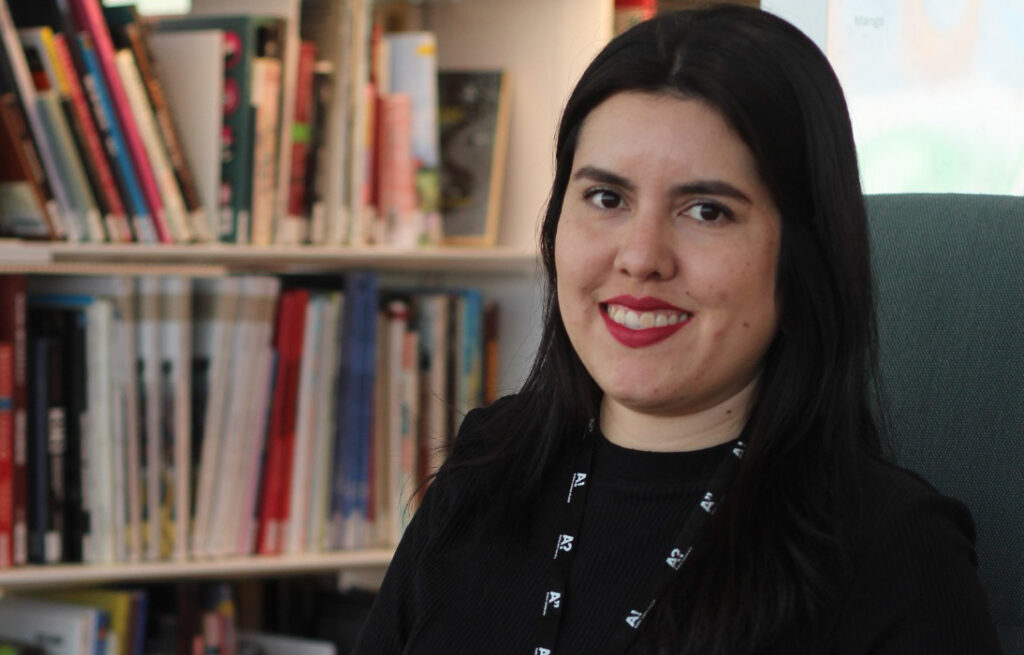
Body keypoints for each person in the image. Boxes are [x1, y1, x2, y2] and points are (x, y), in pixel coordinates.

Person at [352, 6, 1002, 654]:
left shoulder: (896, 555)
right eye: (607, 198)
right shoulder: (483, 474)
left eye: (706, 211)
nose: (641, 257)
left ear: (805, 254)